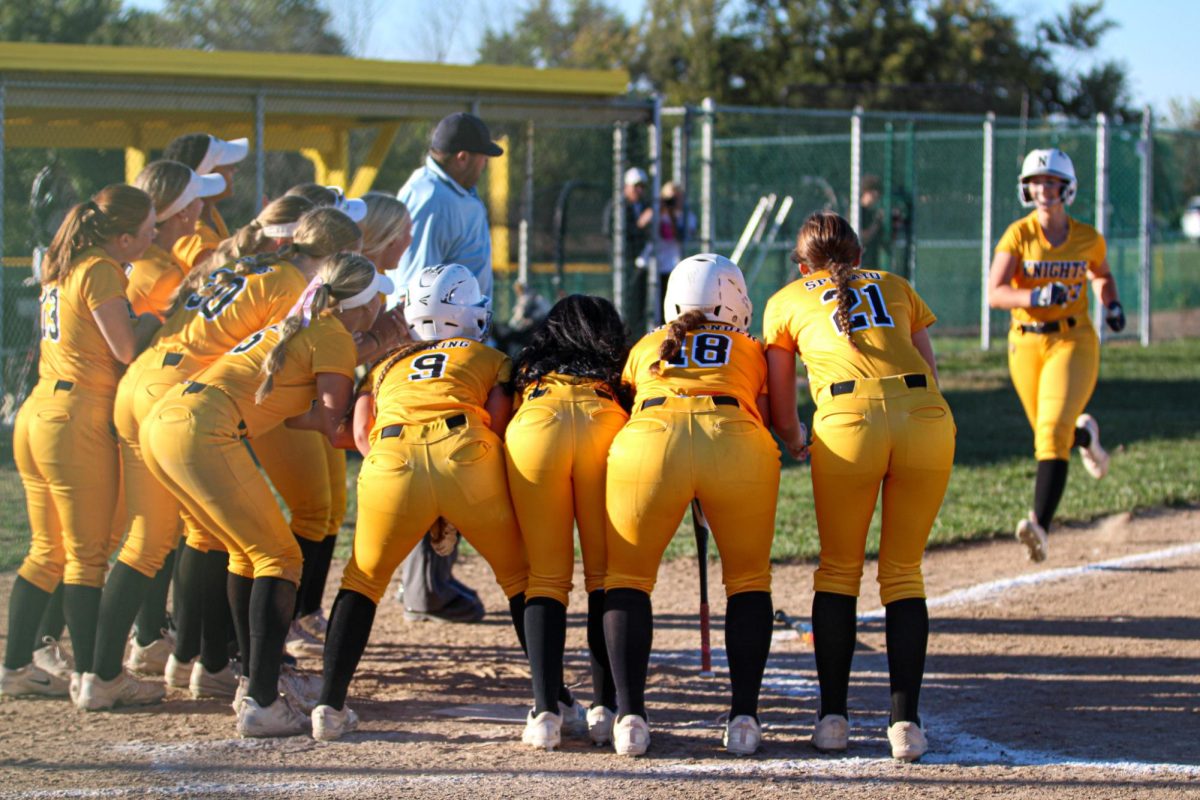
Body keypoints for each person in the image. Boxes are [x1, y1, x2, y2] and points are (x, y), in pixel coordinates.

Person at [140, 254, 390, 737]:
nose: (383, 301)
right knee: (280, 556)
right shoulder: (334, 336)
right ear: (363, 303)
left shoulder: (305, 324)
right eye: (378, 295)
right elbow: (333, 427)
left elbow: (292, 411)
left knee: (247, 552)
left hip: (168, 420)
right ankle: (261, 699)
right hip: (201, 430)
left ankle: (252, 679)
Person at [764, 211, 956, 762]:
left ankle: (832, 720)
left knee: (840, 569)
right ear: (859, 257)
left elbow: (782, 400)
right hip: (924, 416)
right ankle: (905, 726)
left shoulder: (788, 299)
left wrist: (795, 437)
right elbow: (929, 369)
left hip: (848, 422)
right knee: (902, 571)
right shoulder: (894, 285)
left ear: (802, 266)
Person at [312, 264, 529, 742]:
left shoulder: (386, 365)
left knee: (362, 581)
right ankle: (555, 703)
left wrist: (405, 479)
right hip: (466, 452)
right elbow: (498, 421)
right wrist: (452, 494)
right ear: (467, 313)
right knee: (521, 580)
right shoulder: (488, 355)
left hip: (390, 459)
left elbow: (360, 432)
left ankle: (328, 704)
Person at [603, 254, 780, 757]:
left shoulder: (643, 346)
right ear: (732, 299)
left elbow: (629, 402)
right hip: (735, 441)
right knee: (748, 581)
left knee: (628, 581)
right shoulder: (751, 347)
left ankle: (630, 718)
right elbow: (762, 415)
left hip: (650, 442)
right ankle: (744, 718)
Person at [1, 185, 160, 701]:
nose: (153, 235)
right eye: (147, 229)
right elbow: (126, 346)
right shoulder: (100, 267)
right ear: (121, 236)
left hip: (40, 410)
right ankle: (102, 677)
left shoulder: (68, 262)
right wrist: (158, 318)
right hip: (76, 416)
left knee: (48, 551)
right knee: (87, 556)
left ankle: (16, 666)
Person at [389, 112, 505, 624]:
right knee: (443, 455)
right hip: (438, 343)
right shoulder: (433, 198)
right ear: (462, 156)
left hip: (456, 335)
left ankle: (423, 580)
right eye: (481, 157)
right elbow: (420, 286)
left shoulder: (448, 191)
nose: (483, 166)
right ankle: (425, 588)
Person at [505, 295, 632, 750]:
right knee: (604, 577)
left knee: (545, 578)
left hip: (536, 427)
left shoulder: (527, 368)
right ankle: (607, 710)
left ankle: (545, 713)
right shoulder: (617, 373)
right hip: (604, 422)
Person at [987, 148, 1123, 562]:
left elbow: (1101, 273)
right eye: (1037, 181)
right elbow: (995, 292)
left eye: (1051, 182)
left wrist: (1112, 303)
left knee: (1050, 433)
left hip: (1072, 339)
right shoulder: (1018, 234)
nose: (1043, 189)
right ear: (1027, 187)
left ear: (1067, 188)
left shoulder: (1086, 237)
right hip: (1025, 343)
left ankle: (1040, 527)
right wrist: (1035, 294)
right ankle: (1087, 438)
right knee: (1052, 435)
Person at [162, 133, 248, 272]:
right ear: (207, 173)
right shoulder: (195, 235)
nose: (234, 169)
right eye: (226, 164)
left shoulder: (209, 212)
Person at [603, 167, 653, 327]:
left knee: (639, 302)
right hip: (624, 262)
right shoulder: (617, 206)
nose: (639, 190)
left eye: (642, 186)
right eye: (636, 186)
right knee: (623, 300)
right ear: (627, 186)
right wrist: (639, 225)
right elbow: (610, 231)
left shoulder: (645, 205)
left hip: (641, 262)